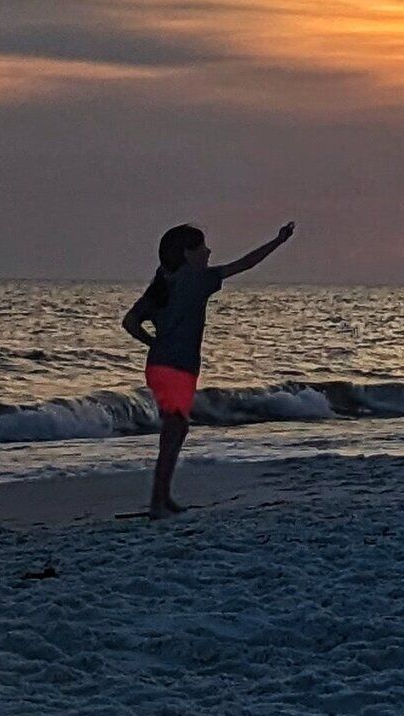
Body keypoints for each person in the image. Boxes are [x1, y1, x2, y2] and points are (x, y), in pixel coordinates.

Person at [122, 218, 294, 517]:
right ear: (188, 253)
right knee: (174, 431)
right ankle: (157, 502)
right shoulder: (198, 280)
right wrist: (278, 241)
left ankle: (162, 498)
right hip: (177, 368)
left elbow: (130, 322)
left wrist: (153, 343)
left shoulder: (162, 283)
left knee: (175, 430)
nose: (209, 251)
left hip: (163, 366)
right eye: (202, 247)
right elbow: (246, 263)